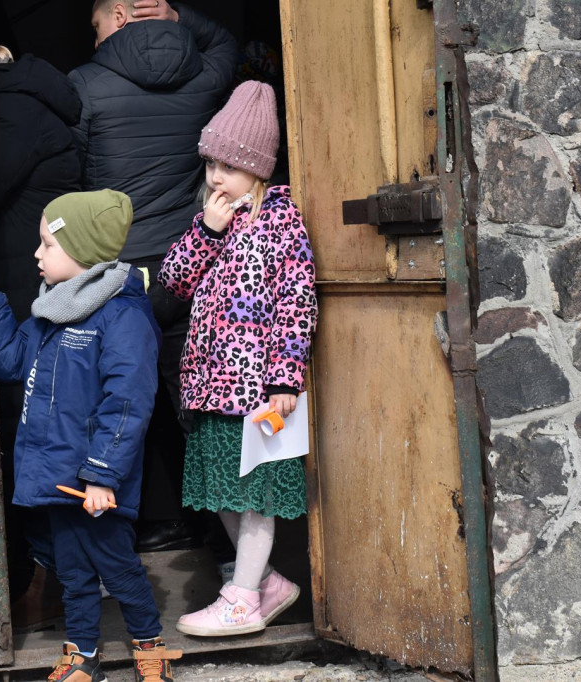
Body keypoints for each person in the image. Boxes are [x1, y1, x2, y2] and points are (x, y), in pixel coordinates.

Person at [0, 190, 182, 681]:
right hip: (58, 476)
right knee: (72, 573)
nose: (37, 255)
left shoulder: (122, 316)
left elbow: (127, 403)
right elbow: (10, 362)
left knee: (119, 568)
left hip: (96, 481)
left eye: (48, 244)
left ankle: (150, 648)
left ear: (83, 252)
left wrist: (103, 475)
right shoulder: (52, 309)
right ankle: (82, 654)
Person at [71, 0, 239, 553]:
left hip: (121, 275)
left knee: (119, 400)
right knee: (191, 400)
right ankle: (226, 543)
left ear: (118, 16)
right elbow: (228, 46)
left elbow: (74, 174)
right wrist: (182, 15)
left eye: (96, 26)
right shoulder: (203, 77)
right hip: (192, 265)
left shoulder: (85, 84)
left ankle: (124, 531)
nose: (94, 40)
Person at [157, 81, 318, 636]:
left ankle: (243, 598)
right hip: (208, 386)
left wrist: (285, 377)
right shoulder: (214, 221)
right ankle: (267, 583)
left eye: (229, 166)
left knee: (253, 495)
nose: (216, 177)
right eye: (211, 164)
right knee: (223, 488)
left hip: (255, 390)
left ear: (257, 168)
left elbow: (296, 303)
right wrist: (207, 230)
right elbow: (173, 280)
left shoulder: (282, 222)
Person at [0, 41, 83, 629]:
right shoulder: (32, 100)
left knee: (31, 433)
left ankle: (48, 580)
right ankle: (49, 577)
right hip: (30, 286)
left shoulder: (10, 110)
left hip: (30, 289)